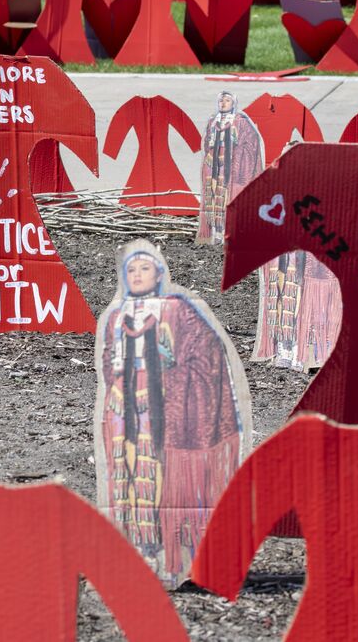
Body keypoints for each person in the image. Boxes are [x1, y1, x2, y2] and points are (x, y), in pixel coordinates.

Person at [97, 245, 248, 588]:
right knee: (128, 473)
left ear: (160, 275)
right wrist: (116, 387)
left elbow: (207, 353)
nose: (136, 275)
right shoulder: (118, 316)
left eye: (144, 269)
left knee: (164, 479)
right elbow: (110, 358)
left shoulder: (179, 311)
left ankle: (172, 555)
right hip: (124, 412)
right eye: (131, 270)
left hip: (165, 412)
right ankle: (139, 552)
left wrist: (172, 377)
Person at [197, 91, 264, 244]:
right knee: (213, 198)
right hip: (213, 166)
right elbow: (208, 142)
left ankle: (232, 231)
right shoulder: (213, 121)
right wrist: (210, 156)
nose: (223, 103)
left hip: (232, 168)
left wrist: (235, 156)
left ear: (234, 103)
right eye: (221, 100)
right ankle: (217, 232)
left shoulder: (241, 122)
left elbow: (251, 143)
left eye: (227, 100)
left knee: (229, 198)